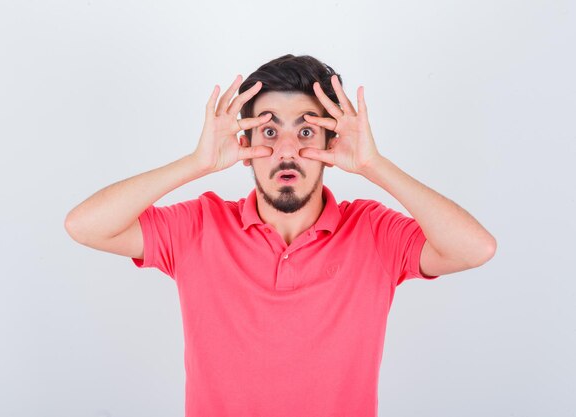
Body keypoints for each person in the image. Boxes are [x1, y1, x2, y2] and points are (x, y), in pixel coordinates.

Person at [65, 54, 497, 417]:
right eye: (269, 132)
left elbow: (475, 249)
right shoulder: (199, 225)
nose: (287, 150)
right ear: (244, 146)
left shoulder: (373, 231)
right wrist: (196, 164)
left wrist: (374, 166)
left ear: (332, 145)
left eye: (306, 131)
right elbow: (85, 226)